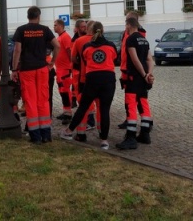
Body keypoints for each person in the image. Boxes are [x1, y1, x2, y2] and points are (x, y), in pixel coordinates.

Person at [61, 21, 116, 150]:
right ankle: (104, 140)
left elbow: (82, 60)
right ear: (102, 31)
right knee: (104, 110)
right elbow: (113, 58)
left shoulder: (86, 46)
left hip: (91, 79)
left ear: (90, 31)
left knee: (83, 107)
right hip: (108, 79)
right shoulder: (111, 46)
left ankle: (69, 131)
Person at [11, 6, 60, 144]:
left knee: (30, 102)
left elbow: (17, 50)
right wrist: (52, 63)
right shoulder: (44, 30)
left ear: (28, 16)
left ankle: (35, 136)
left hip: (27, 70)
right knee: (43, 100)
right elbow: (57, 46)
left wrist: (14, 70)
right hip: (42, 68)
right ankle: (46, 134)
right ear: (38, 16)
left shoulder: (21, 30)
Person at [116, 17, 155, 150]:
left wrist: (143, 75)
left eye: (126, 25)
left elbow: (135, 59)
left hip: (134, 77)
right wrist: (149, 73)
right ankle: (145, 133)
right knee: (143, 103)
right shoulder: (144, 40)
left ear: (128, 25)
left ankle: (131, 137)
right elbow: (150, 59)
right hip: (144, 77)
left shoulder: (130, 39)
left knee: (131, 104)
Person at [118, 10, 147, 129]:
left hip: (133, 70)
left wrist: (144, 74)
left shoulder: (139, 34)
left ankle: (139, 122)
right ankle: (129, 118)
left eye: (127, 20)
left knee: (136, 97)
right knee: (128, 96)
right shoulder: (126, 33)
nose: (126, 23)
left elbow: (138, 56)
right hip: (125, 68)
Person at [53, 18, 73, 124]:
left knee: (65, 91)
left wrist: (71, 65)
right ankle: (65, 111)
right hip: (60, 69)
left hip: (65, 69)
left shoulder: (65, 37)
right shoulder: (60, 37)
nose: (54, 27)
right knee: (61, 91)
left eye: (55, 25)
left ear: (61, 26)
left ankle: (68, 114)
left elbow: (70, 52)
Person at [70, 19, 87, 108]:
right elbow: (73, 56)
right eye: (82, 26)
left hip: (87, 69)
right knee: (77, 88)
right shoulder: (74, 40)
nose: (85, 28)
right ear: (77, 28)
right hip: (77, 69)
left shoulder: (88, 38)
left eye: (85, 26)